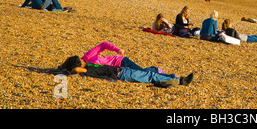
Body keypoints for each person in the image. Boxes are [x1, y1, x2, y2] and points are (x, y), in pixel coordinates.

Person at [59, 55, 194, 88]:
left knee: (149, 73)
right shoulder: (85, 70)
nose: (85, 61)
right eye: (82, 61)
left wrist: (63, 67)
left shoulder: (89, 67)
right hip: (122, 74)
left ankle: (170, 79)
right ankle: (181, 81)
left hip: (123, 71)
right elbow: (76, 69)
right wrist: (68, 69)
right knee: (149, 74)